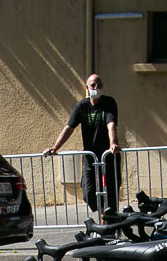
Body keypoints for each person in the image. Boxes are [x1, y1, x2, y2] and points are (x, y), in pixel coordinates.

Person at [43, 73, 121, 214]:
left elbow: (111, 124)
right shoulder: (82, 106)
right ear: (87, 87)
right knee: (88, 192)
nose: (96, 87)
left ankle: (110, 227)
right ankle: (104, 216)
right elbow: (69, 128)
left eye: (99, 85)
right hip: (90, 157)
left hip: (108, 155)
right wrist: (55, 147)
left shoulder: (109, 103)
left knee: (111, 193)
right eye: (93, 85)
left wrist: (113, 143)